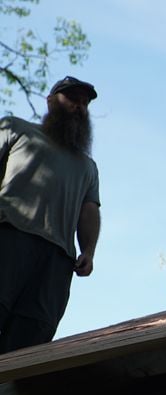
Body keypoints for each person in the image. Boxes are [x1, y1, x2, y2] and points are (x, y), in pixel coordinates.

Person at [0, 76, 101, 353]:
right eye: (72, 99)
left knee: (33, 337)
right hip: (9, 238)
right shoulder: (15, 129)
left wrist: (88, 251)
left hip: (57, 261)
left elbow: (89, 209)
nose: (79, 107)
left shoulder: (88, 167)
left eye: (84, 103)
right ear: (51, 101)